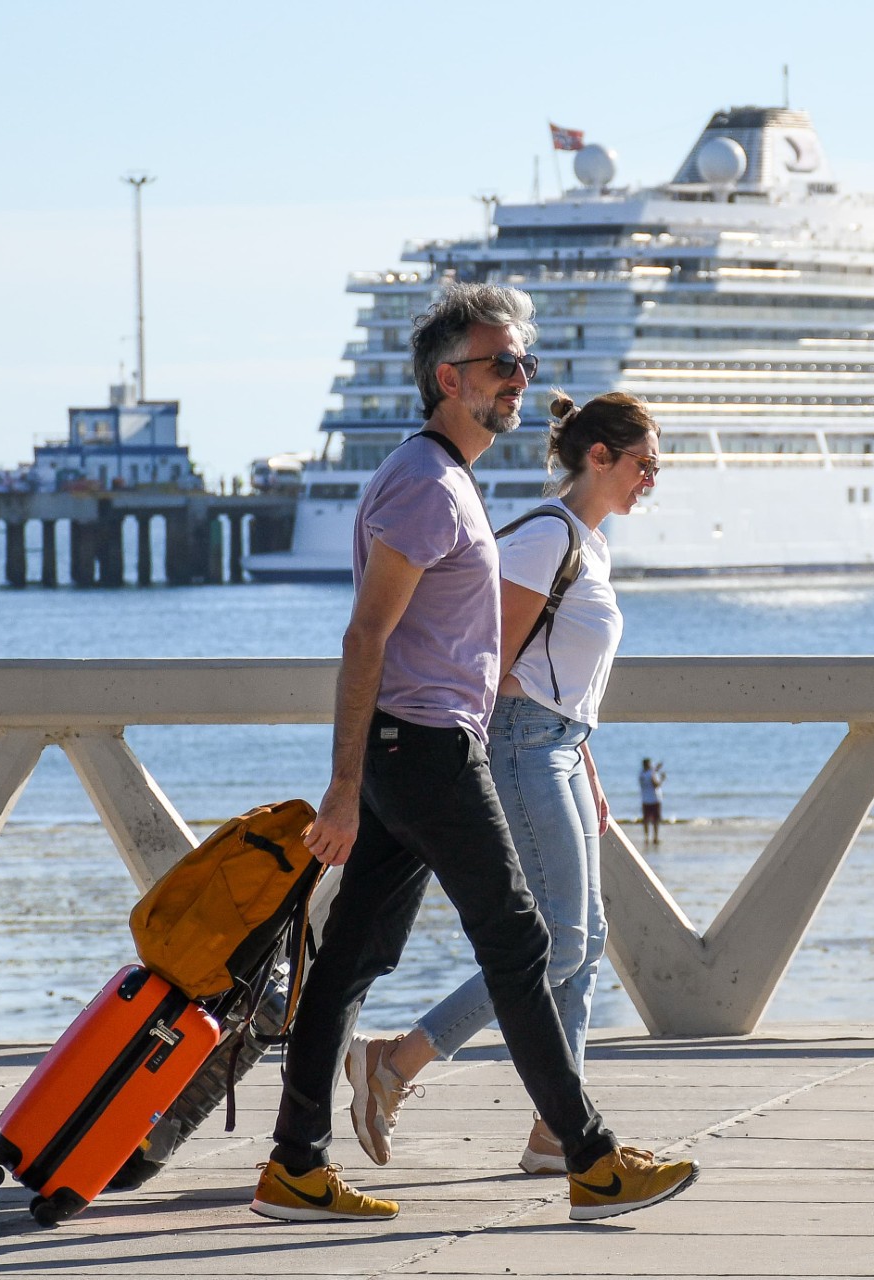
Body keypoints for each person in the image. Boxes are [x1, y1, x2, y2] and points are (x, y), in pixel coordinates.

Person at [248, 283, 696, 1224]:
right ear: (449, 379)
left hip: (415, 747)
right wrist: (342, 786)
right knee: (523, 942)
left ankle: (295, 1165)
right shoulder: (425, 482)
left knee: (351, 958)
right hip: (426, 750)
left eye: (524, 363)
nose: (519, 379)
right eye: (501, 364)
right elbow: (364, 637)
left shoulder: (444, 477)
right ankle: (590, 1160)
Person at [347, 389, 659, 1177]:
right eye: (644, 464)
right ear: (599, 457)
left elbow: (562, 678)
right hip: (521, 746)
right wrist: (478, 766)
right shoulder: (544, 539)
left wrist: (586, 764)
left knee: (587, 942)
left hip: (561, 746)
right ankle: (397, 1060)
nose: (651, 481)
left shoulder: (589, 543)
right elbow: (489, 667)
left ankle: (557, 1130)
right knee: (555, 942)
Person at [639, 758, 666, 846]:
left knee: (646, 820)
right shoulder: (651, 774)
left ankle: (646, 838)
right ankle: (655, 838)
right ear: (648, 764)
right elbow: (655, 785)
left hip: (645, 799)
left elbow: (654, 769)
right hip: (654, 799)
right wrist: (662, 779)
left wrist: (657, 767)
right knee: (656, 820)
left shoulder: (641, 774)